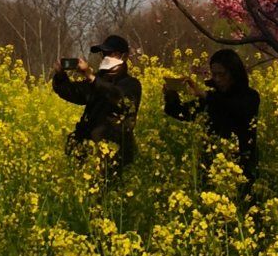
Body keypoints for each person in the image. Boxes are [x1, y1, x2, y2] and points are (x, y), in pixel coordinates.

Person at [163, 48, 260, 181]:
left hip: (241, 169)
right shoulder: (212, 98)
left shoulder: (250, 96)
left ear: (234, 73)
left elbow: (237, 109)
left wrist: (204, 95)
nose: (217, 79)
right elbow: (181, 113)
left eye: (222, 74)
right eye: (214, 75)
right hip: (210, 168)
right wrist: (171, 96)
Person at [52, 34, 141, 168]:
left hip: (116, 153)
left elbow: (121, 99)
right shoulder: (96, 80)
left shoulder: (131, 83)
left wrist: (90, 76)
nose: (105, 57)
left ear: (123, 56)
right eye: (103, 54)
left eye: (111, 54)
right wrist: (60, 75)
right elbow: (74, 93)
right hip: (90, 152)